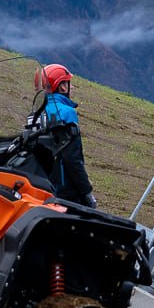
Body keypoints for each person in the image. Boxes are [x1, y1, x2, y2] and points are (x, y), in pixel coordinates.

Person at [24, 63, 96, 208]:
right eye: (69, 83)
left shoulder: (34, 113)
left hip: (40, 185)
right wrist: (86, 192)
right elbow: (72, 158)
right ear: (62, 87)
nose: (72, 87)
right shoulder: (67, 113)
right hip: (65, 190)